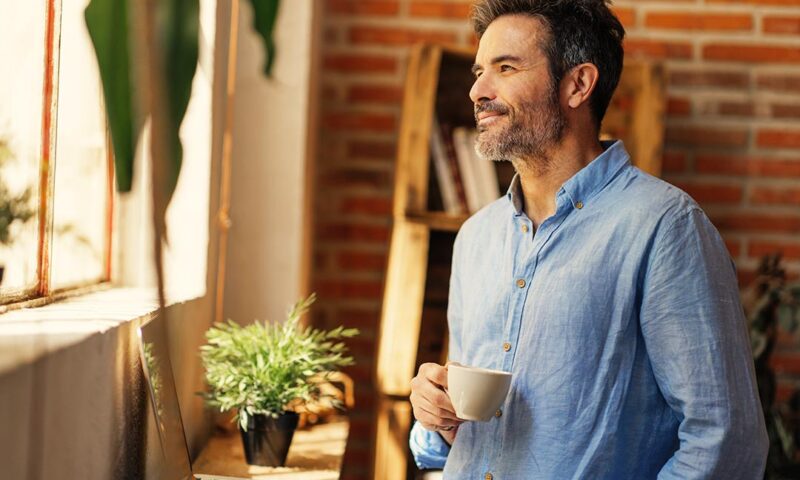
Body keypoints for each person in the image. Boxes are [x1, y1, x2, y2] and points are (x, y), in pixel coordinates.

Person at [408, 0, 769, 478]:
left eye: (505, 67)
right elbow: (460, 439)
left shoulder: (666, 228)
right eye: (479, 71)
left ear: (577, 84)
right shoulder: (475, 238)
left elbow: (725, 440)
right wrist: (434, 416)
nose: (478, 90)